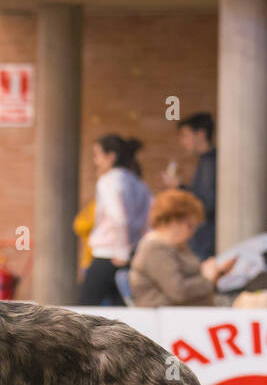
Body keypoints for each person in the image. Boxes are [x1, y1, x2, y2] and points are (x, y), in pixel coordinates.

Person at [128, 190, 236, 308]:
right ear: (173, 221)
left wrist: (216, 274)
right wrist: (207, 278)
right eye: (189, 226)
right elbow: (178, 291)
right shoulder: (154, 249)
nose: (192, 232)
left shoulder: (177, 246)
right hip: (168, 317)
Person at [77, 134, 151, 306]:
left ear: (111, 156)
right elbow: (147, 221)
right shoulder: (139, 183)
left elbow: (119, 218)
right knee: (121, 311)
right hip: (131, 253)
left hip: (109, 254)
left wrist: (121, 251)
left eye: (97, 155)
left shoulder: (109, 181)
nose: (95, 161)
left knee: (85, 309)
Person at [161, 111, 217, 259]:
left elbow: (207, 203)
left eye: (185, 135)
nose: (183, 141)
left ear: (200, 134)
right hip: (202, 240)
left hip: (207, 241)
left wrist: (180, 188)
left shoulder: (211, 163)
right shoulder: (206, 161)